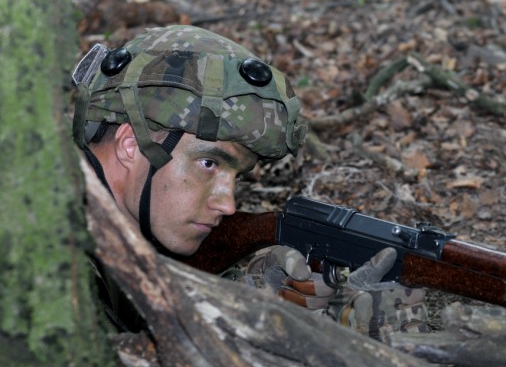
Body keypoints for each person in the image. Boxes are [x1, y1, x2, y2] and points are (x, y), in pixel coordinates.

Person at [72, 25, 427, 340]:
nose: (228, 205)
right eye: (209, 163)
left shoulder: (128, 227)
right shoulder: (59, 253)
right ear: (131, 145)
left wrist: (263, 302)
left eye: (236, 177)